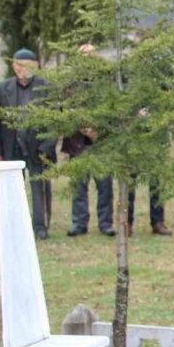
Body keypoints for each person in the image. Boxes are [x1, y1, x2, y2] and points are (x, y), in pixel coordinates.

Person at [0, 48, 55, 240]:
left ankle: (40, 226)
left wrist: (47, 147)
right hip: (11, 146)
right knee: (11, 189)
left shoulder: (47, 87)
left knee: (39, 188)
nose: (24, 69)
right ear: (14, 66)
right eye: (20, 65)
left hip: (38, 146)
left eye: (29, 65)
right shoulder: (1, 89)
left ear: (36, 66)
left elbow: (55, 121)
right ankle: (13, 225)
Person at [65, 44, 114, 238]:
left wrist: (98, 129)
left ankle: (106, 223)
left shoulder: (106, 81)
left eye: (90, 55)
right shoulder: (69, 83)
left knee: (105, 187)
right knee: (78, 186)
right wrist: (82, 126)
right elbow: (64, 109)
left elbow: (112, 107)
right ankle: (79, 223)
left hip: (101, 143)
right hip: (77, 143)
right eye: (83, 55)